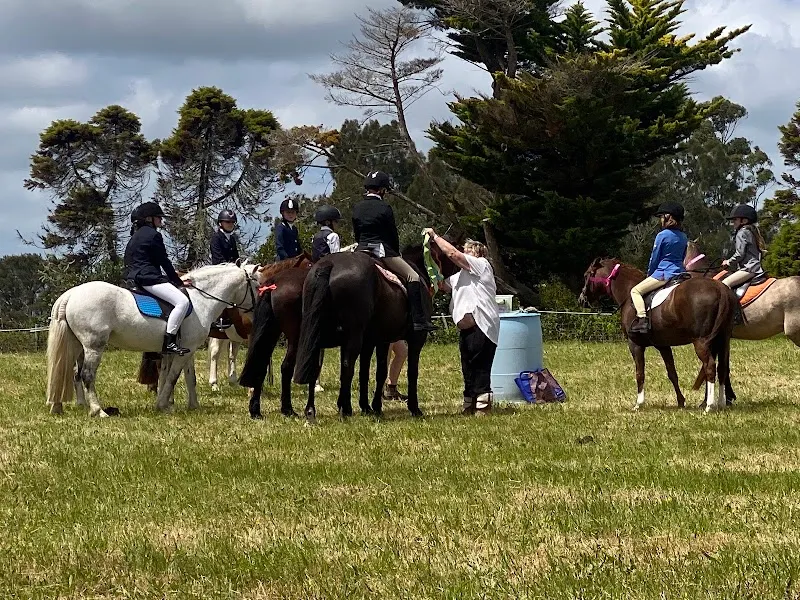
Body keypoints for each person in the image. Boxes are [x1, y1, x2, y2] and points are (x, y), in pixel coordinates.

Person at [424, 229, 500, 416]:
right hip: (466, 328)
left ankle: (483, 407)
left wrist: (435, 237)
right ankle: (469, 404)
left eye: (469, 250)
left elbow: (453, 254)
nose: (466, 253)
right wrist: (430, 263)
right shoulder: (459, 277)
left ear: (478, 253)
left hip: (482, 325)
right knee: (467, 367)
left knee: (480, 365)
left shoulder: (482, 265)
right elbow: (442, 285)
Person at [352, 171, 435, 332]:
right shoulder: (385, 207)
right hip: (382, 250)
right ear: (382, 190)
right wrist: (396, 253)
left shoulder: (357, 207)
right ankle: (418, 320)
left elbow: (357, 233)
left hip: (361, 250)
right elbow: (392, 234)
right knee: (413, 276)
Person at [123, 202, 191, 355]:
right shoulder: (154, 235)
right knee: (182, 302)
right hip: (148, 280)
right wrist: (177, 281)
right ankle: (170, 341)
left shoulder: (134, 237)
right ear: (149, 219)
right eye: (158, 217)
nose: (161, 220)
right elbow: (163, 261)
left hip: (132, 278)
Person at [629, 202, 688, 334]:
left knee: (635, 291)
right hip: (680, 273)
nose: (661, 219)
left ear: (668, 217)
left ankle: (642, 319)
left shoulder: (662, 235)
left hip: (663, 273)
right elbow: (683, 256)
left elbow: (654, 258)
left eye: (662, 216)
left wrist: (650, 274)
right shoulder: (684, 237)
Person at [722, 203, 766, 289]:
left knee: (724, 284)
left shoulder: (742, 232)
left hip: (749, 269)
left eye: (735, 220)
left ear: (744, 221)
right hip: (755, 267)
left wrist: (728, 262)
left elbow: (739, 254)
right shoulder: (751, 231)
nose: (732, 223)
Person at [210, 209, 240, 330]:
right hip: (219, 271)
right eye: (227, 222)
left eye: (232, 222)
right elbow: (218, 258)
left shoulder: (232, 239)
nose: (230, 224)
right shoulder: (216, 238)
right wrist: (231, 269)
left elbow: (236, 257)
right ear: (220, 223)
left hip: (231, 271)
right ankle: (219, 318)